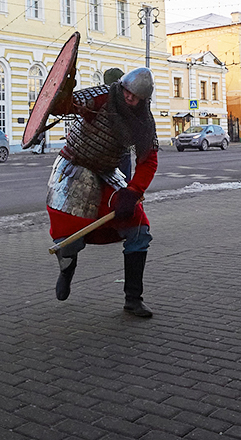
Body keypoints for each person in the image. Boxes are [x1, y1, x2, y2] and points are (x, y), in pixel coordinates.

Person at [47, 67, 158, 318]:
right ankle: (67, 267)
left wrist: (133, 191)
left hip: (108, 172)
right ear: (122, 87)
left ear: (143, 100)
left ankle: (133, 299)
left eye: (135, 97)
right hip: (74, 167)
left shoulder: (143, 121)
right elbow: (65, 107)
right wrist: (62, 95)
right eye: (127, 93)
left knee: (139, 228)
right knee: (70, 236)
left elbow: (148, 160)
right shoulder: (100, 97)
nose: (129, 98)